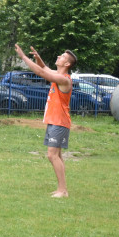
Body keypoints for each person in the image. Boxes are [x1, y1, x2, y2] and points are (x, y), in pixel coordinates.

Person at [15, 43, 78, 198]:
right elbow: (44, 68)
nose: (58, 56)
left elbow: (41, 72)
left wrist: (23, 57)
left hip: (60, 122)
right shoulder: (59, 76)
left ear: (67, 64)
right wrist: (38, 58)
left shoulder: (64, 80)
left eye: (62, 56)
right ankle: (61, 189)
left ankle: (63, 190)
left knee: (52, 155)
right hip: (54, 121)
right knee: (57, 155)